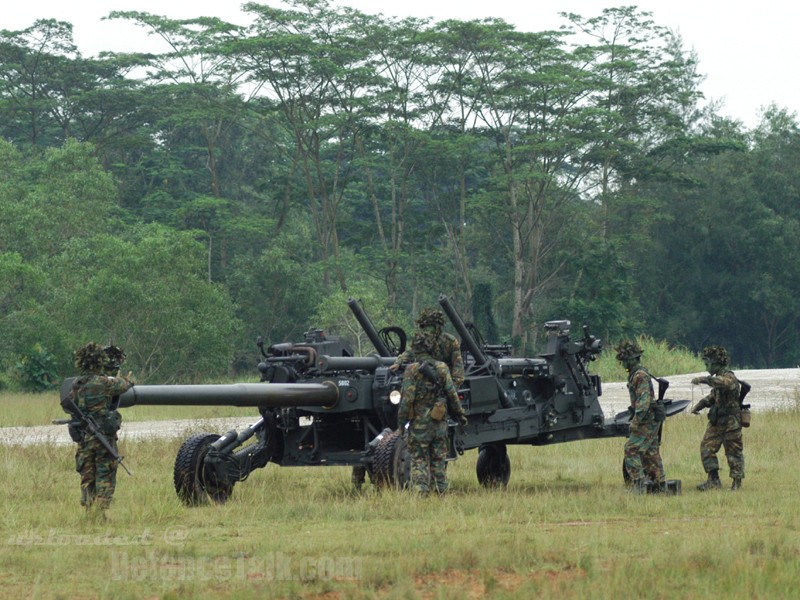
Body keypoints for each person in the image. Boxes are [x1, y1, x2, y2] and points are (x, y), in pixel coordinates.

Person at [64, 342, 134, 515]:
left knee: (88, 475)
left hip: (85, 438)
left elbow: (72, 404)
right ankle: (100, 513)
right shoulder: (103, 383)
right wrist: (128, 379)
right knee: (105, 473)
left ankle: (89, 511)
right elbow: (123, 386)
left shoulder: (77, 384)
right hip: (102, 437)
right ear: (99, 362)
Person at [397, 332, 468, 495]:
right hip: (439, 424)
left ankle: (421, 494)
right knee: (439, 462)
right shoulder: (442, 368)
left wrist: (401, 425)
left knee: (419, 461)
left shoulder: (411, 370)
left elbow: (406, 401)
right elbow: (452, 395)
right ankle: (442, 493)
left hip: (419, 427)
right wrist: (460, 415)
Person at [615, 340, 665, 494]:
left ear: (632, 359)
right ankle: (659, 485)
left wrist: (636, 421)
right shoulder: (638, 374)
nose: (623, 364)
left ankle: (639, 484)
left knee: (631, 449)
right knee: (651, 453)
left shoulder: (640, 376)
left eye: (624, 361)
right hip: (650, 419)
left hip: (646, 420)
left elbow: (644, 401)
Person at [691, 345, 744, 491]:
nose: (706, 367)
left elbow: (723, 383)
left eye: (708, 364)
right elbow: (714, 395)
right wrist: (700, 405)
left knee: (733, 452)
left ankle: (736, 483)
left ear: (716, 363)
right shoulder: (719, 378)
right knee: (706, 447)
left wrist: (703, 379)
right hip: (717, 421)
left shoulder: (729, 377)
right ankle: (713, 480)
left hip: (731, 422)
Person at [393, 308, 465, 388]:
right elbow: (409, 352)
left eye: (429, 326)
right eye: (424, 327)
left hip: (445, 380)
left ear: (437, 327)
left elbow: (458, 372)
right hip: (424, 381)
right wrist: (398, 363)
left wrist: (451, 389)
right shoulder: (422, 341)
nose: (426, 330)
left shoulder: (450, 342)